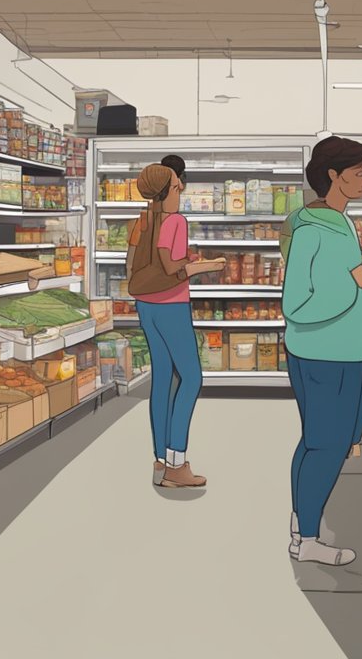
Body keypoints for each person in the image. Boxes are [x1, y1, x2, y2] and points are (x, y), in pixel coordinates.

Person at [281, 136, 362, 566]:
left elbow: (353, 277)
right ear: (333, 175)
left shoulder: (341, 221)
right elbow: (295, 301)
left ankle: (301, 524)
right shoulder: (313, 228)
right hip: (323, 354)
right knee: (327, 446)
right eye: (360, 172)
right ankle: (308, 540)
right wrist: (350, 295)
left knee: (318, 442)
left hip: (347, 351)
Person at [127, 163, 224, 488]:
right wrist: (208, 265)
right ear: (165, 191)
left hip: (146, 306)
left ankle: (160, 460)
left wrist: (182, 263)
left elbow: (132, 266)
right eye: (175, 185)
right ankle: (177, 464)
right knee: (192, 378)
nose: (180, 188)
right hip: (171, 305)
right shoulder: (176, 221)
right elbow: (172, 267)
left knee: (163, 379)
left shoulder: (144, 221)